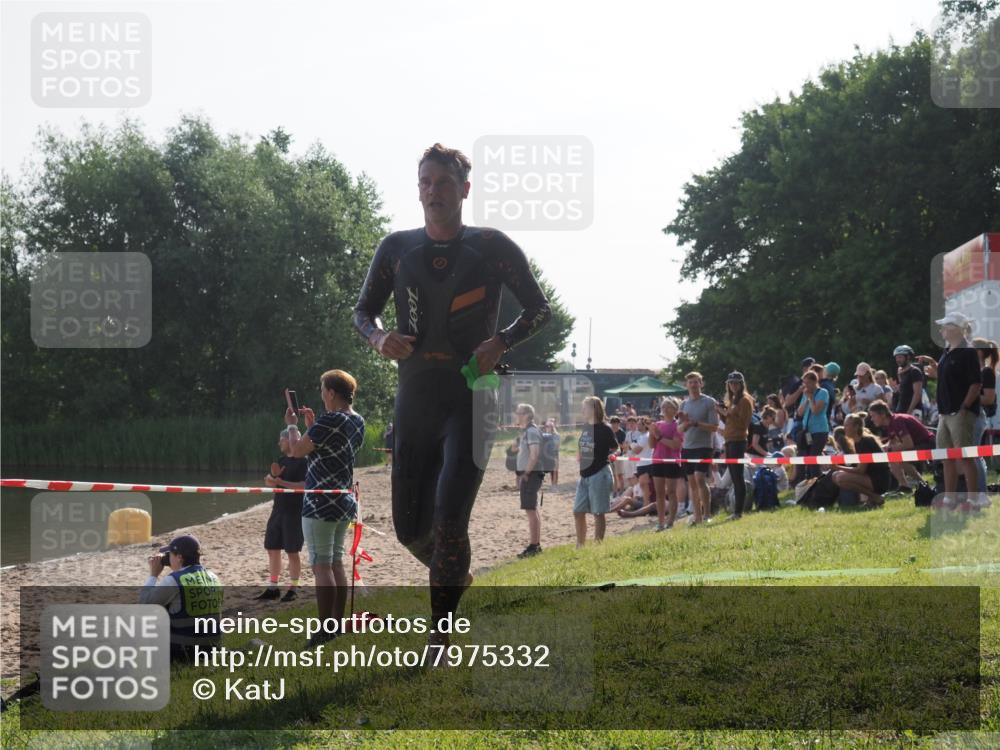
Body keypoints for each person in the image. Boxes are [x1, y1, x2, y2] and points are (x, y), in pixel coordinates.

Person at [352, 143, 551, 639]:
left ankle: (439, 633)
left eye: (442, 182)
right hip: (416, 396)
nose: (432, 192)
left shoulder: (492, 246)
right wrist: (379, 337)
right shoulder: (396, 248)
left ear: (464, 189)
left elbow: (539, 309)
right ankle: (454, 569)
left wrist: (501, 341)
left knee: (448, 516)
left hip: (473, 399)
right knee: (407, 527)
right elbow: (362, 312)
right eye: (424, 182)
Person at [286, 369, 365, 647]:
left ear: (331, 393)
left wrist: (294, 425)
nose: (321, 396)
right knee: (335, 562)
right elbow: (329, 449)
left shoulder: (329, 420)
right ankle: (337, 623)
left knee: (321, 564)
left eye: (323, 391)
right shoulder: (357, 421)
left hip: (319, 503)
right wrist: (313, 426)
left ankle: (323, 630)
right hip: (343, 501)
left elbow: (296, 451)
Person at [917, 311, 982, 506]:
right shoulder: (947, 351)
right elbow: (951, 379)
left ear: (955, 329)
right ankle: (949, 497)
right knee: (946, 457)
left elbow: (975, 384)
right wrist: (936, 370)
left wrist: (964, 407)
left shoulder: (968, 352)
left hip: (960, 412)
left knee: (965, 457)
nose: (942, 329)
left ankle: (972, 499)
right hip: (945, 413)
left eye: (945, 326)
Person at [140, 535, 222, 661]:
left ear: (179, 558)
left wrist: (153, 575)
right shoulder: (214, 577)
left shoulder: (175, 580)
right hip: (212, 648)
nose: (168, 558)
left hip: (184, 651)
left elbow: (144, 604)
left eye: (170, 554)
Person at [257, 427, 307, 602]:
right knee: (272, 548)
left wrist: (281, 482)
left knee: (292, 551)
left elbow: (304, 485)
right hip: (278, 509)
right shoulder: (281, 460)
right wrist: (270, 480)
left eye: (282, 439)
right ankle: (273, 586)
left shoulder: (303, 461)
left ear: (291, 440)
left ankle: (293, 587)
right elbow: (272, 481)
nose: (279, 443)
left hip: (294, 512)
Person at [678, 372, 719, 525]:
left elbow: (714, 427)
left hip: (704, 446)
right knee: (691, 482)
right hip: (687, 447)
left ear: (701, 384)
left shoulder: (709, 402)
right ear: (686, 385)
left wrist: (696, 423)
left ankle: (707, 514)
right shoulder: (683, 404)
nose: (693, 385)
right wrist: (686, 424)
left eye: (696, 382)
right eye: (691, 382)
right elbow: (679, 430)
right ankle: (697, 516)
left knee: (699, 477)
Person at [867, 399, 934, 491]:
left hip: (928, 444)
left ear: (882, 414)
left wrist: (890, 449)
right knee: (892, 455)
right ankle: (905, 486)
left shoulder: (897, 421)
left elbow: (908, 444)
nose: (872, 419)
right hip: (920, 444)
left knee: (898, 457)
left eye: (873, 416)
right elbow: (892, 441)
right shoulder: (891, 422)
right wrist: (881, 448)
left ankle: (921, 483)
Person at [575, 396, 616, 547]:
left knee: (598, 512)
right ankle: (580, 545)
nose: (582, 410)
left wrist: (610, 455)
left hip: (600, 473)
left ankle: (598, 545)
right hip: (584, 475)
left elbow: (615, 447)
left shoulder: (605, 429)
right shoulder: (586, 427)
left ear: (594, 409)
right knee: (578, 511)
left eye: (584, 407)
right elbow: (583, 445)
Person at [831, 413, 890, 508]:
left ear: (856, 427)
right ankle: (871, 499)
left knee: (840, 477)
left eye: (847, 425)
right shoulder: (856, 442)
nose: (844, 428)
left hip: (879, 479)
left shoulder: (866, 441)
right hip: (870, 477)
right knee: (836, 476)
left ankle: (874, 497)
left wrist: (837, 467)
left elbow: (860, 470)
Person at [716, 371, 754, 520]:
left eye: (736, 383)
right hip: (730, 440)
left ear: (741, 384)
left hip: (738, 440)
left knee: (737, 477)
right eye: (731, 383)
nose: (733, 385)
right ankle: (736, 510)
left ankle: (738, 512)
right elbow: (731, 422)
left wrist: (725, 413)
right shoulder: (733, 401)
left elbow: (743, 424)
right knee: (733, 476)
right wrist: (723, 413)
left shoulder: (745, 400)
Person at [514, 403, 544, 558]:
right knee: (532, 510)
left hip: (531, 475)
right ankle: (535, 544)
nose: (516, 415)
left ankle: (534, 546)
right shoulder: (527, 431)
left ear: (526, 415)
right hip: (531, 475)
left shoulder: (531, 431)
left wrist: (525, 473)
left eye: (519, 413)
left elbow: (534, 454)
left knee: (531, 510)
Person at [649, 398, 683, 529]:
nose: (665, 409)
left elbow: (675, 445)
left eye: (669, 406)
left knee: (671, 492)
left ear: (675, 409)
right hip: (657, 460)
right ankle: (661, 522)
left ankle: (671, 521)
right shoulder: (657, 424)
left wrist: (659, 437)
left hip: (672, 461)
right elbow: (652, 445)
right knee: (659, 493)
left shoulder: (677, 425)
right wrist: (652, 433)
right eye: (664, 406)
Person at [972, 337, 998, 498]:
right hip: (975, 415)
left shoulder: (987, 372)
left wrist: (967, 396)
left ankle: (981, 492)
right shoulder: (978, 371)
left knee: (974, 455)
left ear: (979, 352)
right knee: (975, 455)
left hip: (978, 416)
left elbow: (988, 398)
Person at [795, 371, 831, 480]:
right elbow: (800, 413)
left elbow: (816, 410)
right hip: (807, 432)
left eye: (808, 383)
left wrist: (810, 398)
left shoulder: (823, 392)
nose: (806, 386)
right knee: (802, 457)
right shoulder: (805, 394)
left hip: (819, 431)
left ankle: (817, 482)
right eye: (804, 383)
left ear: (815, 382)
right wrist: (806, 399)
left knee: (813, 459)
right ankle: (803, 482)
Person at [892, 345, 925, 418]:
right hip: (901, 410)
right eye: (896, 357)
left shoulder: (914, 371)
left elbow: (917, 394)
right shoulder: (900, 372)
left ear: (908, 357)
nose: (897, 360)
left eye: (900, 357)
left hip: (912, 411)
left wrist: (909, 411)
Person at [610, 416, 628, 494]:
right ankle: (614, 491)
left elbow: (623, 446)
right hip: (610, 455)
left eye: (616, 423)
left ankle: (621, 491)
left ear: (618, 423)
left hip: (619, 456)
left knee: (619, 475)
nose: (614, 425)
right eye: (612, 423)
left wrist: (616, 443)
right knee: (613, 475)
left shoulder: (622, 433)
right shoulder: (609, 432)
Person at [540, 419, 560, 486]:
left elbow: (556, 446)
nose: (547, 427)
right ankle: (540, 484)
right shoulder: (542, 434)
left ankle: (554, 485)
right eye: (546, 426)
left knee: (554, 470)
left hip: (553, 454)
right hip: (543, 455)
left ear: (553, 426)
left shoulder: (556, 435)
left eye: (549, 426)